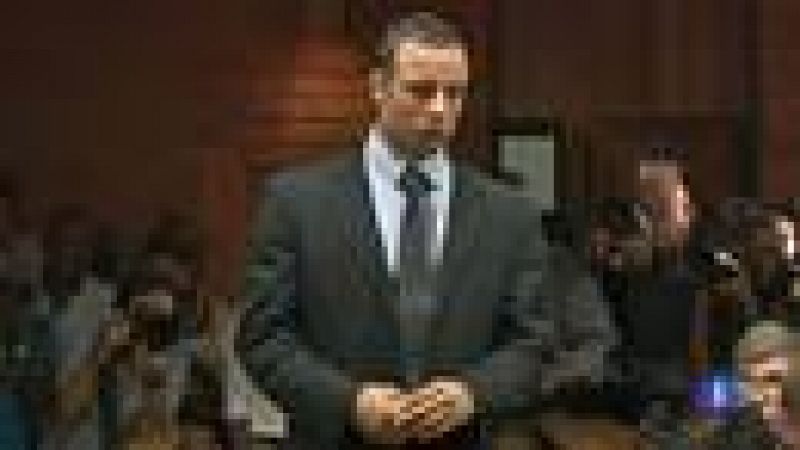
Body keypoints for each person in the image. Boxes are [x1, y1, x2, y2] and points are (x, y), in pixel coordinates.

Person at [234, 10, 615, 449]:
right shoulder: (298, 203)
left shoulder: (509, 215)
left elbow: (534, 344)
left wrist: (473, 394)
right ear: (378, 88)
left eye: (454, 94)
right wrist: (348, 402)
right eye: (421, 91)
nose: (439, 109)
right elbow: (264, 338)